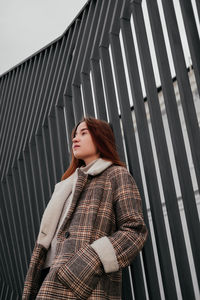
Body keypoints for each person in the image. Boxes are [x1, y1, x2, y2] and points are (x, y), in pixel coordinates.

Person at [22, 117, 148, 300]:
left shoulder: (116, 175)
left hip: (83, 284)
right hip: (46, 276)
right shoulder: (66, 185)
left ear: (101, 139)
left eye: (83, 133)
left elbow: (135, 231)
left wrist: (89, 260)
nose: (75, 139)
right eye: (75, 134)